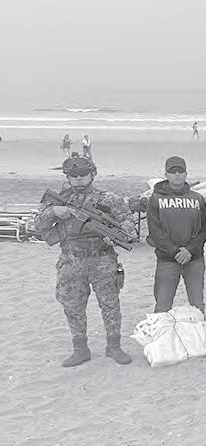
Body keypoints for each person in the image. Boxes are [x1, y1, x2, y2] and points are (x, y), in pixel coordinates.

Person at [35, 155, 137, 367]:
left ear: (93, 174)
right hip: (71, 260)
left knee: (110, 304)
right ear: (67, 177)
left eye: (83, 174)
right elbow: (36, 224)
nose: (79, 179)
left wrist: (117, 235)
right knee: (73, 306)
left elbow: (128, 223)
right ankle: (80, 350)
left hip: (102, 259)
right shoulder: (57, 200)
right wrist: (54, 212)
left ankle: (114, 347)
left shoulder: (108, 199)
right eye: (74, 175)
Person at [146, 156, 206, 313]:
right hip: (167, 260)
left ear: (186, 174)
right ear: (166, 174)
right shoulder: (155, 199)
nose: (177, 174)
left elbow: (205, 228)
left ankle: (199, 330)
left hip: (194, 259)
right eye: (173, 171)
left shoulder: (198, 199)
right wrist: (175, 252)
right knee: (162, 306)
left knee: (197, 305)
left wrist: (190, 250)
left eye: (180, 171)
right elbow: (155, 231)